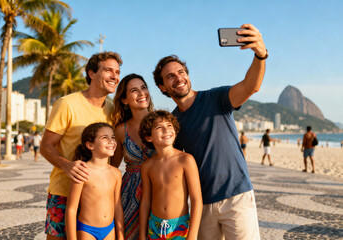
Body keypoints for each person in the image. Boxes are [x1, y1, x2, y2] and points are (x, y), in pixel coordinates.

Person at [152, 23, 266, 239]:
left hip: (237, 197)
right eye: (170, 77)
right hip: (201, 205)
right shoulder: (173, 123)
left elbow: (251, 86)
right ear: (162, 87)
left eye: (181, 72)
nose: (178, 78)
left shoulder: (216, 98)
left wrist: (260, 55)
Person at [40, 51, 122, 240]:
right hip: (63, 192)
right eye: (108, 70)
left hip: (96, 199)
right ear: (92, 73)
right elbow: (46, 146)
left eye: (117, 72)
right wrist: (67, 165)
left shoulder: (113, 110)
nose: (115, 76)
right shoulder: (67, 104)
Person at [138, 110, 202, 240]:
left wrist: (193, 235)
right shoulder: (147, 166)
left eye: (169, 126)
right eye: (159, 127)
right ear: (148, 137)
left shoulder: (185, 160)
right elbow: (145, 201)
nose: (166, 130)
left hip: (179, 226)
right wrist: (142, 234)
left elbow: (196, 200)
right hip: (154, 226)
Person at [111, 73, 155, 240]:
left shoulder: (161, 122)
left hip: (158, 188)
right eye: (134, 91)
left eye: (144, 88)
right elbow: (112, 166)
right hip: (129, 194)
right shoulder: (121, 130)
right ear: (124, 100)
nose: (142, 93)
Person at [66, 123, 124, 240]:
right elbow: (71, 209)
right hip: (87, 230)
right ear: (90, 145)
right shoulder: (82, 171)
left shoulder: (116, 173)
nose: (111, 141)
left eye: (113, 137)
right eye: (104, 138)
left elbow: (118, 206)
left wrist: (121, 236)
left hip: (109, 229)